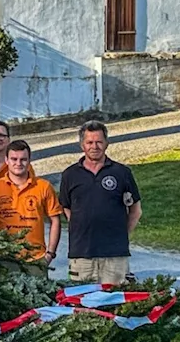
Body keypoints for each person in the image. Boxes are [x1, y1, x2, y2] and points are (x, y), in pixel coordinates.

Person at [58, 121, 142, 285]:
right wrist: (83, 225)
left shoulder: (122, 172)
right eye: (89, 142)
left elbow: (136, 210)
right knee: (81, 304)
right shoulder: (69, 175)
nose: (94, 146)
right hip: (81, 254)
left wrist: (120, 234)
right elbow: (66, 208)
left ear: (106, 143)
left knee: (116, 303)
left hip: (115, 254)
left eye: (99, 142)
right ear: (82, 145)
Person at [0, 140, 62, 276]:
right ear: (6, 160)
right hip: (4, 259)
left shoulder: (43, 186)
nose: (18, 163)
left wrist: (50, 254)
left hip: (36, 259)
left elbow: (55, 220)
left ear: (29, 161)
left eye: (23, 159)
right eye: (14, 159)